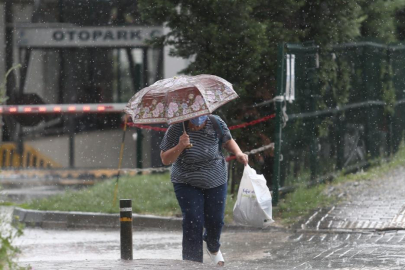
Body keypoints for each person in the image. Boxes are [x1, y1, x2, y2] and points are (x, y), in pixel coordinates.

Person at [160, 114, 248, 266]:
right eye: (195, 116)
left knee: (216, 220)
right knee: (193, 220)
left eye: (202, 116)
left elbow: (227, 140)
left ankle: (213, 245)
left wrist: (238, 153)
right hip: (186, 181)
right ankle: (192, 263)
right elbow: (165, 159)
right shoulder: (176, 127)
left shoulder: (215, 122)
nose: (199, 120)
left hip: (216, 179)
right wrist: (180, 145)